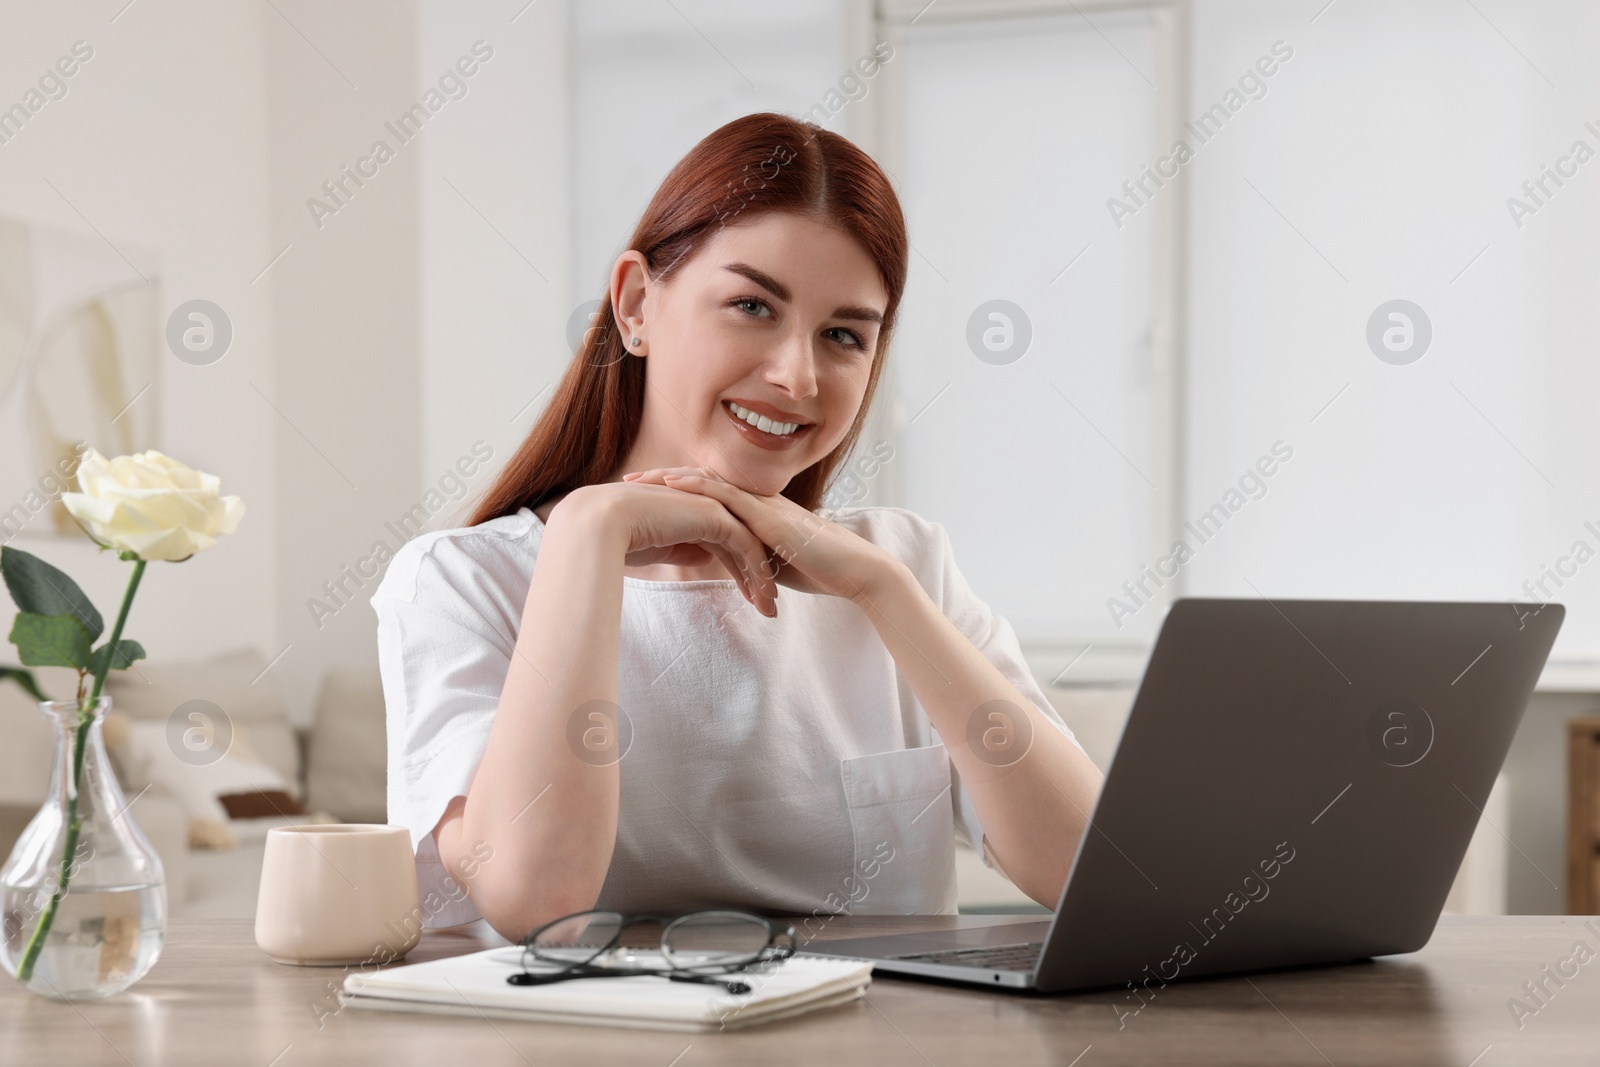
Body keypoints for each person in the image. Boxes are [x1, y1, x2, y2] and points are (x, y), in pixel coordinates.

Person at [373, 111, 1105, 942]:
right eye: (753, 305)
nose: (797, 375)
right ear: (636, 303)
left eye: (842, 335)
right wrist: (586, 534)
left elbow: (1096, 873)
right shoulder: (463, 582)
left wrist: (880, 588)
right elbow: (540, 898)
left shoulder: (905, 565)